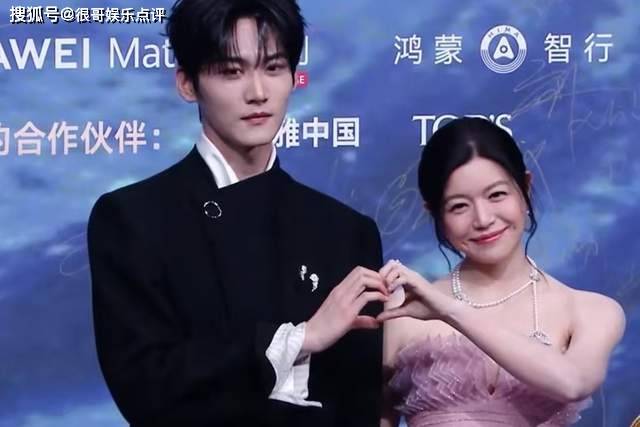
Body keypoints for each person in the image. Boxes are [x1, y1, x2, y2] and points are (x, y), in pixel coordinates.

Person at [87, 1, 387, 426]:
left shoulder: (346, 231)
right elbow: (148, 389)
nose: (257, 92)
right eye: (231, 71)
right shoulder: (133, 219)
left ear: (293, 77)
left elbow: (359, 406)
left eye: (273, 67)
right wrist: (299, 340)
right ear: (187, 84)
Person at [378, 117, 625, 427]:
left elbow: (573, 383)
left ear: (525, 187)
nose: (483, 219)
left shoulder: (590, 311)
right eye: (459, 206)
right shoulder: (400, 314)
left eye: (496, 195)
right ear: (435, 213)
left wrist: (450, 311)